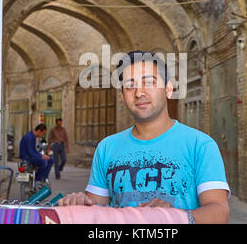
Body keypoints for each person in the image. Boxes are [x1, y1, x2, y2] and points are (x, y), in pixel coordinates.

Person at [58, 51, 230, 224]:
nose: (139, 92)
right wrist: (80, 205)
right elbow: (97, 211)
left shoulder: (200, 145)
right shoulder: (107, 148)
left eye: (149, 82)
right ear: (123, 96)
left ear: (168, 90)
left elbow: (219, 212)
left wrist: (174, 217)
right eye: (130, 85)